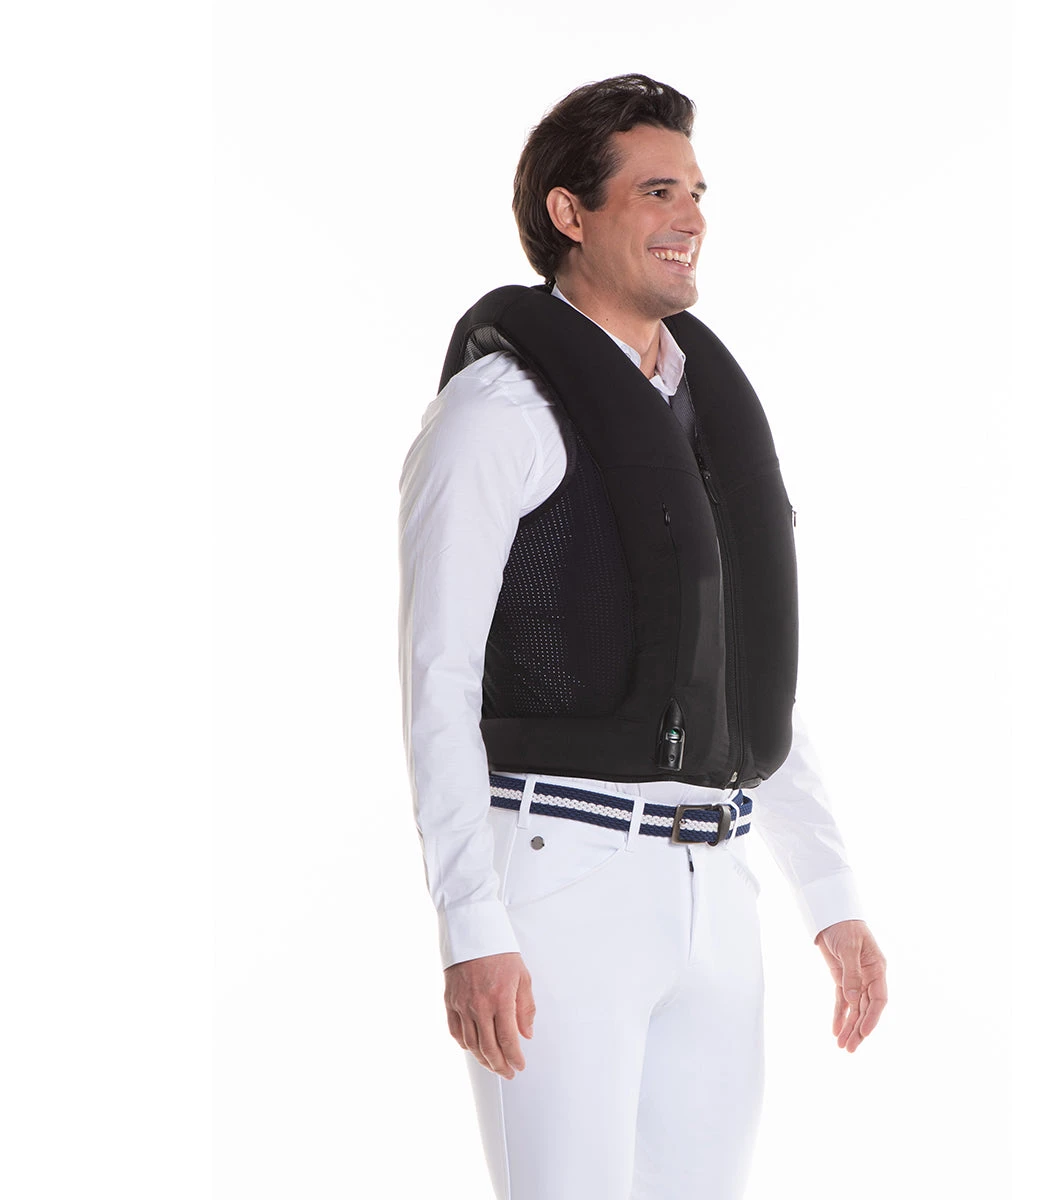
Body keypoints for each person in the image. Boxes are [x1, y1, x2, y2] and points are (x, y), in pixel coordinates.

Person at [398, 73, 887, 1200]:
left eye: (698, 192)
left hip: (717, 885)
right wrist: (469, 924)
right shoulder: (495, 417)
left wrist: (831, 894)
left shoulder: (704, 418)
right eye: (657, 190)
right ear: (569, 213)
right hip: (560, 880)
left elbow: (741, 681)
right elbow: (436, 682)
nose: (691, 217)